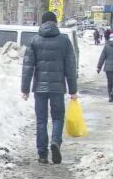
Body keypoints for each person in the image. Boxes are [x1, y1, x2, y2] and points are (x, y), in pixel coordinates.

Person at [21, 11, 78, 165]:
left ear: (43, 23)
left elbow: (27, 67)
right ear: (55, 22)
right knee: (58, 117)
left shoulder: (34, 41)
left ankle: (42, 155)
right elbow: (70, 67)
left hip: (39, 88)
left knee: (41, 120)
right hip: (58, 88)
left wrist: (25, 89)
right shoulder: (64, 41)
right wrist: (73, 90)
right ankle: (55, 142)